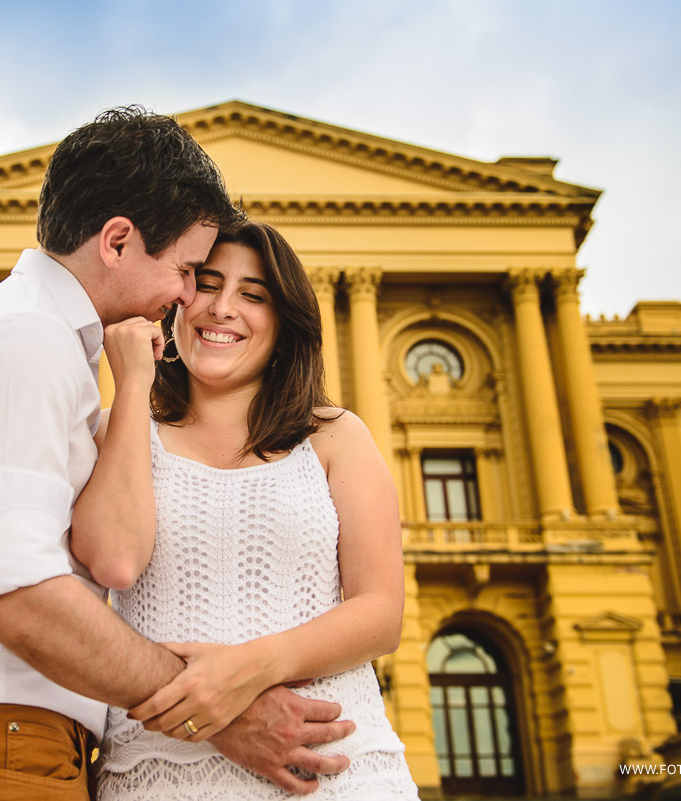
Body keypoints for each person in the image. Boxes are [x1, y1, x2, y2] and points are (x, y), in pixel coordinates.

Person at [0, 108, 356, 801]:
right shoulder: (22, 342)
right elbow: (14, 591)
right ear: (117, 241)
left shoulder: (43, 343)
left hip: (1, 738)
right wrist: (216, 711)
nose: (189, 297)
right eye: (187, 270)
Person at [73, 221, 421, 799]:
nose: (223, 308)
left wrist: (245, 670)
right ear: (175, 302)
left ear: (284, 325)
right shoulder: (117, 431)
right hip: (159, 775)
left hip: (335, 769)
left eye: (253, 295)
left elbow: (381, 612)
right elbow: (110, 559)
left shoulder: (335, 436)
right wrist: (132, 384)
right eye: (207, 285)